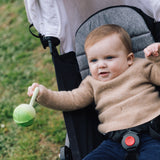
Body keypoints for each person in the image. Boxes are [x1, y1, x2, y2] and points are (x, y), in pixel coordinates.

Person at [28, 24, 160, 160]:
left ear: (129, 59)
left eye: (109, 58)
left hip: (151, 134)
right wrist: (44, 95)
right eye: (93, 60)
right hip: (114, 142)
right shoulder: (91, 83)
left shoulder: (140, 67)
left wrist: (157, 59)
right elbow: (71, 99)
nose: (101, 65)